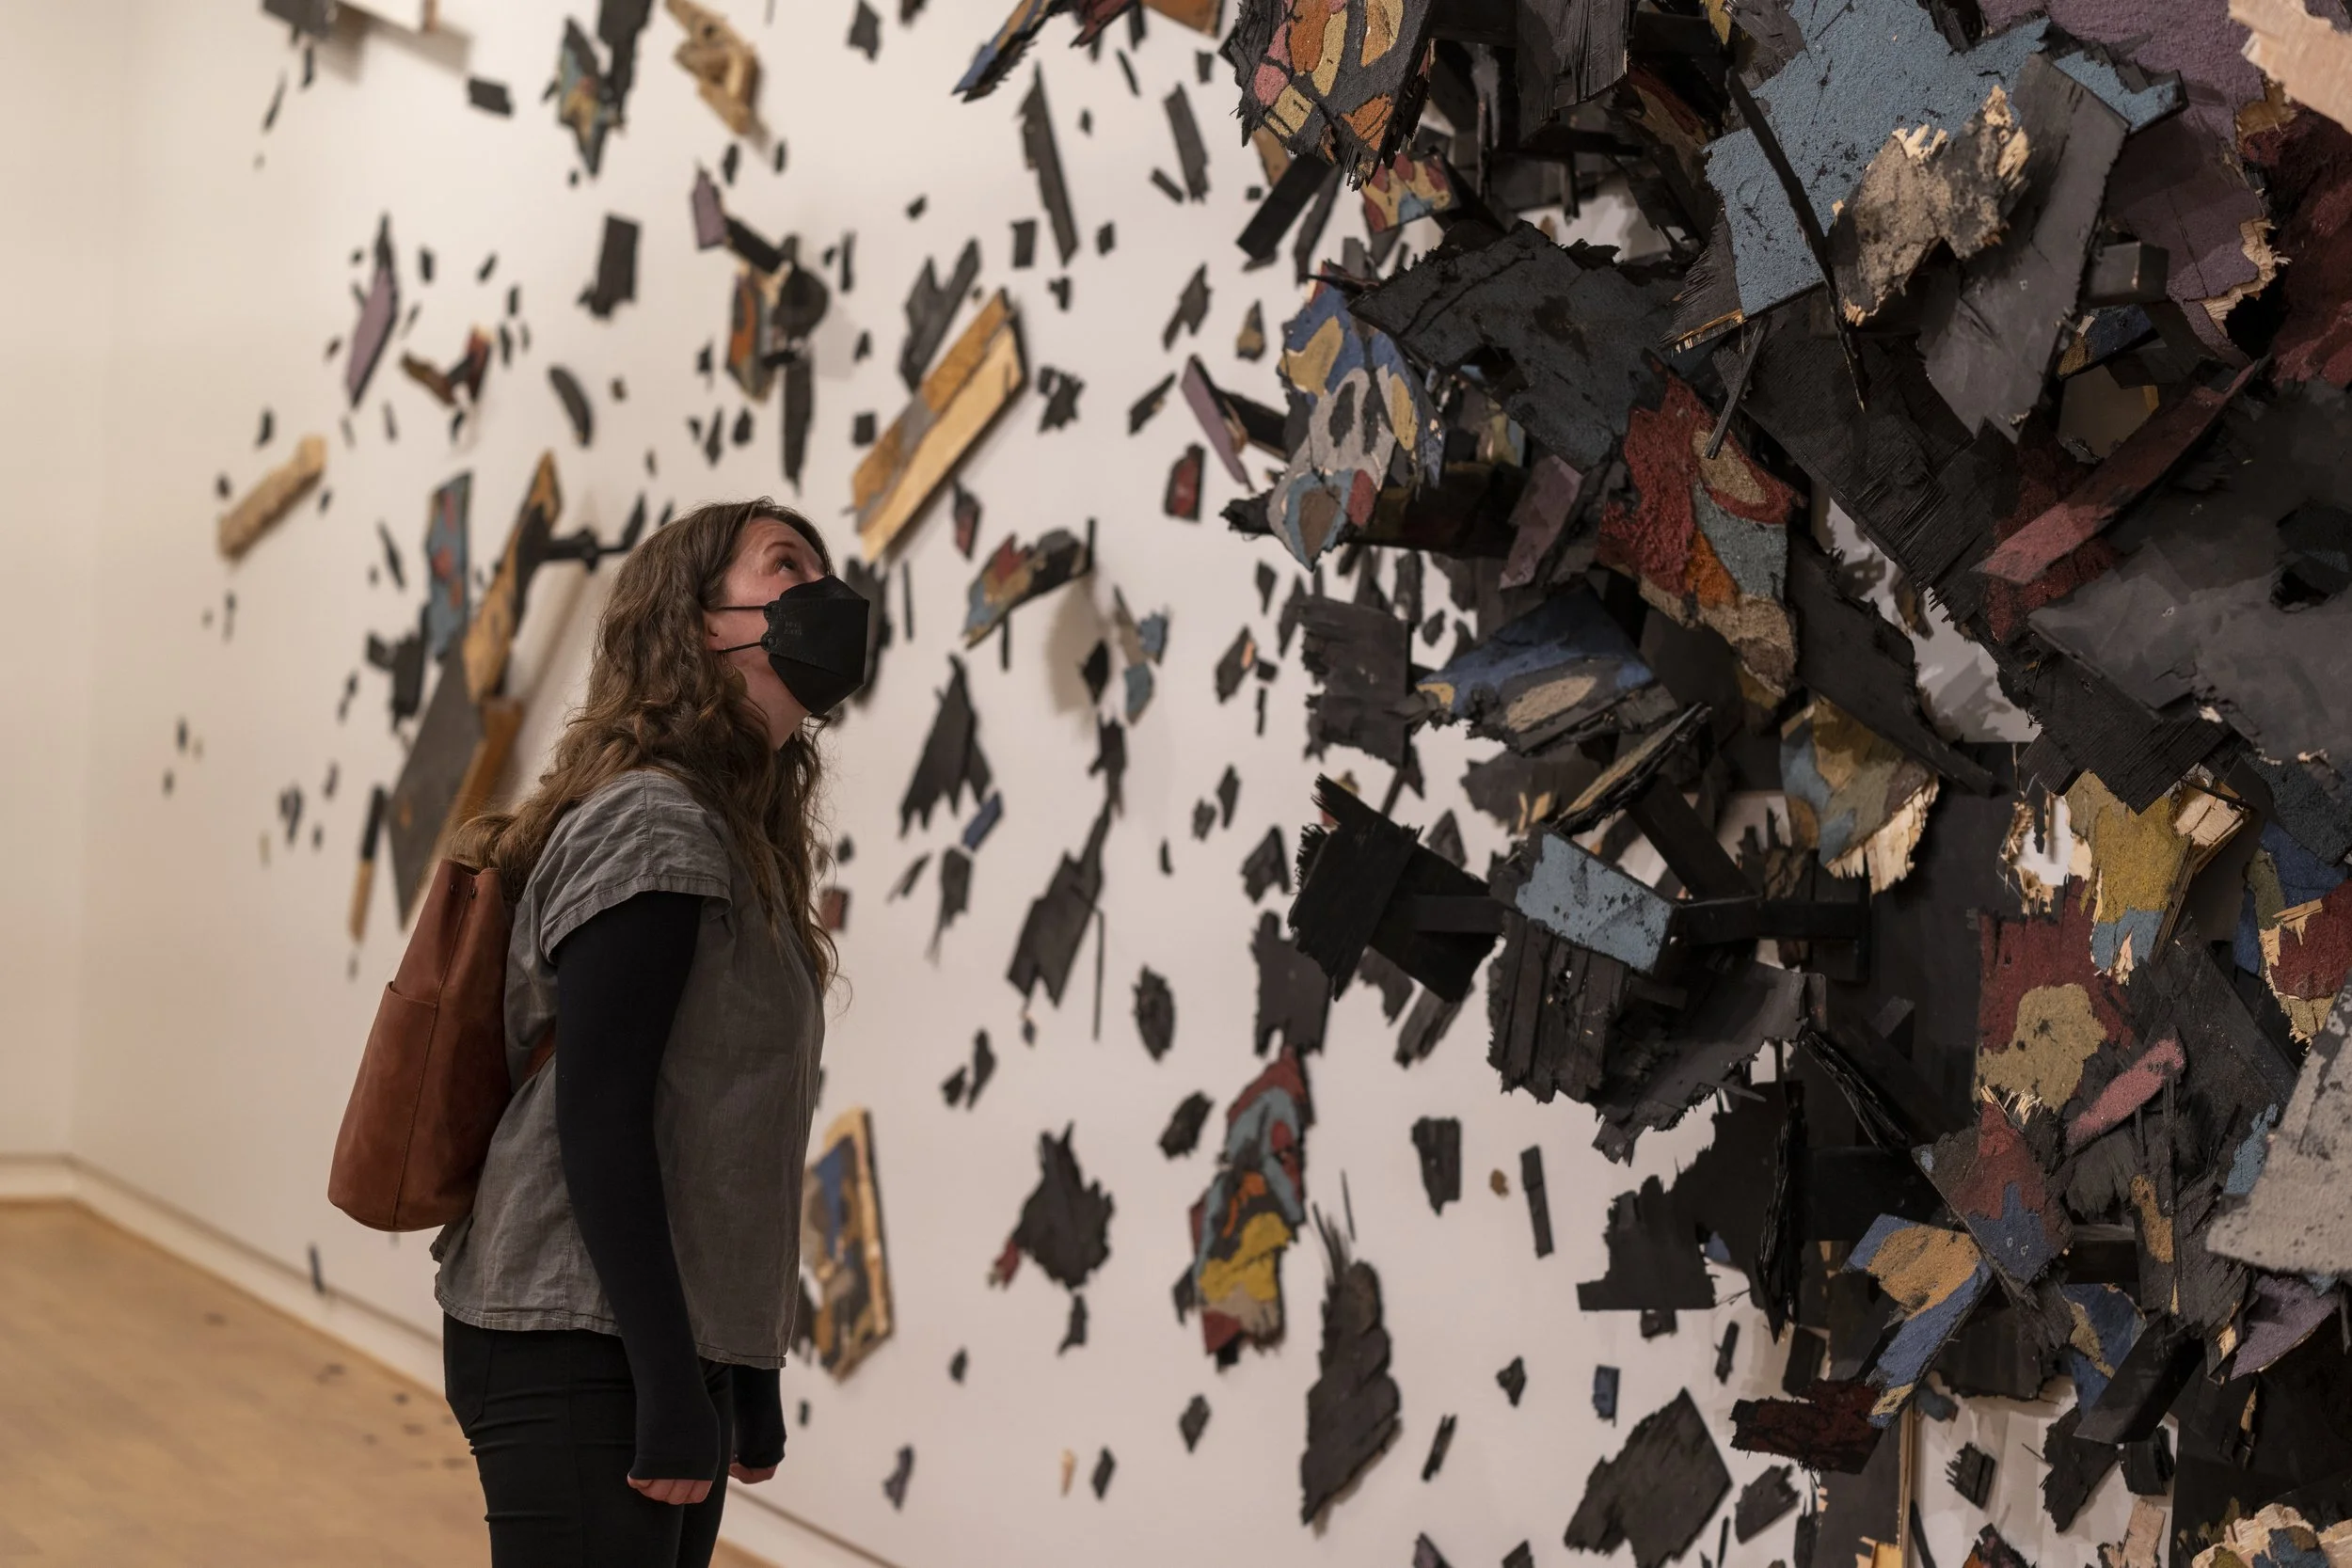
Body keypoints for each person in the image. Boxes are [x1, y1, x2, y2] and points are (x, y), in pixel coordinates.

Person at [429, 499, 867, 1567]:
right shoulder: (654, 821)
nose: (825, 592)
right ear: (703, 623)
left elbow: (724, 1119)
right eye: (786, 565)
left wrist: (743, 1367)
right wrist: (673, 1381)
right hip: (577, 1336)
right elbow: (602, 1116)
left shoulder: (736, 835)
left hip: (651, 1333)